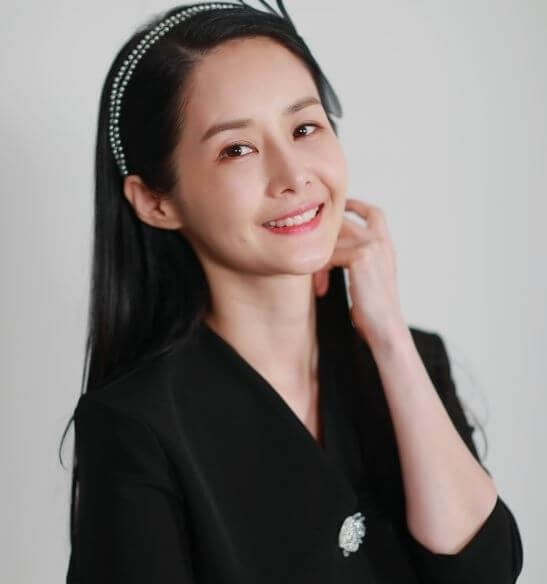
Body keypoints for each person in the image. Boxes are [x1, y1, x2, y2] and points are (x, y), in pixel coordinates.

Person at [61, 2, 524, 582]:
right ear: (157, 201)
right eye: (237, 149)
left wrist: (388, 334)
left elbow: (484, 570)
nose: (293, 175)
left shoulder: (408, 360)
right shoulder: (138, 425)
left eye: (305, 128)